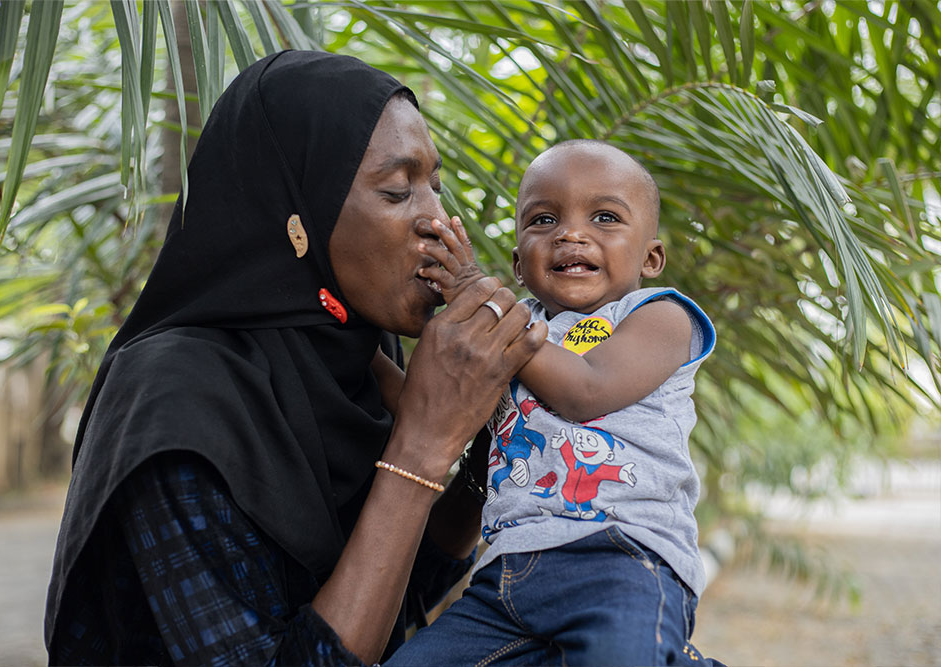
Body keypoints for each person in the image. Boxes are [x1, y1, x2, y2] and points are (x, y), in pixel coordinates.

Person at [43, 50, 545, 666]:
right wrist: (419, 445)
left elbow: (396, 600)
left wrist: (481, 444)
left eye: (435, 187)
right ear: (296, 219)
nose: (438, 222)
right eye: (396, 191)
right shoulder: (175, 409)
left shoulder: (354, 357)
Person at [386, 140, 721, 666]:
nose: (570, 233)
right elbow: (426, 402)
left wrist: (477, 295)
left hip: (621, 559)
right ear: (520, 263)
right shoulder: (513, 321)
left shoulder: (659, 317)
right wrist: (352, 347)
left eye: (605, 216)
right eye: (543, 220)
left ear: (651, 257)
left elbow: (585, 390)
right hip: (502, 576)